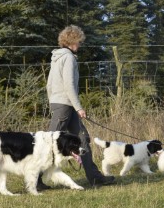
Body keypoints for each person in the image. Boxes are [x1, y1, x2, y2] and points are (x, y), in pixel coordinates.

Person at [39, 25, 115, 189]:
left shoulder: (57, 58)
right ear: (72, 41)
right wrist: (78, 107)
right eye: (79, 41)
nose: (80, 44)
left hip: (62, 104)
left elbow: (49, 85)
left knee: (82, 139)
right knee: (49, 143)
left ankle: (95, 178)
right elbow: (69, 85)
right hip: (65, 105)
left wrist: (54, 102)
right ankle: (35, 180)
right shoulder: (68, 58)